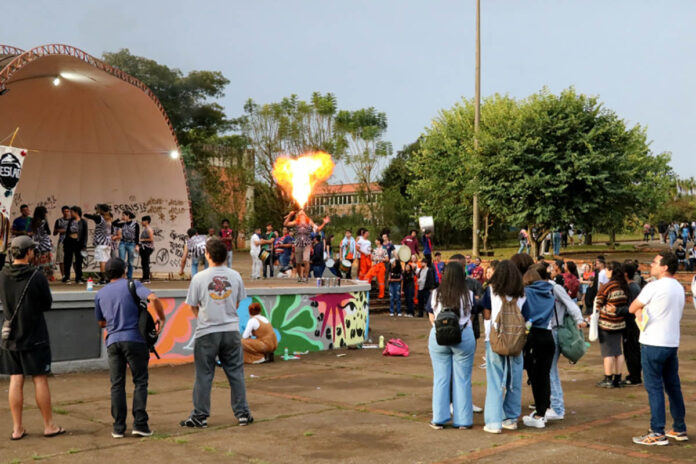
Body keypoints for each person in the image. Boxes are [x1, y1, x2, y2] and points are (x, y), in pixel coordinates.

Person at [180, 238, 253, 428]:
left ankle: (200, 416)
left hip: (207, 331)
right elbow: (237, 303)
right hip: (230, 330)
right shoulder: (235, 276)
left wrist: (203, 318)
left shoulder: (199, 278)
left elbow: (192, 305)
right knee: (236, 373)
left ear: (207, 254)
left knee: (204, 375)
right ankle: (243, 413)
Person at [0, 236, 65, 440]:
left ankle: (17, 428)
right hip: (35, 335)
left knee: (15, 379)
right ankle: (48, 425)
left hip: (10, 336)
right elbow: (47, 304)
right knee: (39, 378)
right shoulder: (36, 276)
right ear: (29, 252)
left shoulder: (2, 274)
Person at [95, 258, 165, 438]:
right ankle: (140, 424)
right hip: (135, 339)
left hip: (113, 341)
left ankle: (118, 427)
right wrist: (161, 318)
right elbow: (153, 298)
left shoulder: (100, 294)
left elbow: (101, 322)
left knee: (117, 384)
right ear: (124, 271)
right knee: (140, 381)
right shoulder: (132, 285)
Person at [629, 251, 688, 445]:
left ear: (664, 267)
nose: (651, 265)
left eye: (655, 263)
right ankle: (679, 427)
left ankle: (657, 430)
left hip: (653, 341)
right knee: (673, 386)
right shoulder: (678, 287)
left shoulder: (653, 286)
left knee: (654, 387)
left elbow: (632, 307)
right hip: (671, 342)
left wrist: (639, 311)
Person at [427, 261, 475, 430]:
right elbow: (472, 316)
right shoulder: (468, 294)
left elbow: (431, 315)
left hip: (438, 336)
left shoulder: (436, 294)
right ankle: (463, 420)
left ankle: (439, 418)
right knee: (462, 379)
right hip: (463, 335)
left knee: (440, 378)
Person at [479, 260, 526, 433]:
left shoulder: (491, 291)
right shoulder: (522, 294)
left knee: (495, 381)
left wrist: (487, 333)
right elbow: (526, 315)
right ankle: (511, 418)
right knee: (514, 381)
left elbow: (486, 312)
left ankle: (493, 423)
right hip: (515, 340)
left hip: (496, 339)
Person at [537, 264, 585, 422]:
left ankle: (557, 407)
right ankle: (553, 404)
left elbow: (570, 304)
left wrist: (579, 320)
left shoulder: (554, 288)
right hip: (546, 331)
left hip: (555, 331)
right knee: (547, 370)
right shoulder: (541, 288)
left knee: (550, 370)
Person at [520, 267, 556, 429]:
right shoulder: (549, 292)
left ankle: (540, 414)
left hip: (533, 334)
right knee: (545, 374)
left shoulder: (527, 293)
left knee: (535, 376)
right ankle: (543, 410)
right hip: (548, 335)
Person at [595, 261, 628, 388]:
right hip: (619, 322)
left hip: (606, 323)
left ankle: (608, 378)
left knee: (607, 352)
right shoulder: (623, 285)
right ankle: (618, 377)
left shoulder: (608, 286)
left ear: (611, 271)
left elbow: (598, 303)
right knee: (618, 351)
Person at [615, 261, 642, 387]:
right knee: (632, 349)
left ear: (625, 274)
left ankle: (635, 376)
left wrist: (616, 310)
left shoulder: (632, 288)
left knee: (631, 349)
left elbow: (631, 308)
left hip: (631, 323)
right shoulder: (633, 286)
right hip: (633, 323)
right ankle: (634, 374)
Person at [283, 210, 329, 283]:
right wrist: (290, 215)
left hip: (307, 244)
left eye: (303, 212)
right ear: (298, 215)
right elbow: (285, 224)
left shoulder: (309, 221)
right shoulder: (296, 221)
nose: (302, 212)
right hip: (298, 244)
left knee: (306, 260)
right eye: (300, 212)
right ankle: (300, 277)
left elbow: (317, 229)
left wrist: (324, 223)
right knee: (298, 262)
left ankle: (306, 277)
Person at [85, 204, 113, 285]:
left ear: (101, 210)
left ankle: (103, 279)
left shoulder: (99, 218)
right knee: (107, 261)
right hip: (107, 243)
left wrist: (96, 213)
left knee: (102, 262)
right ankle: (107, 278)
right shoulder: (109, 218)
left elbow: (87, 215)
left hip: (101, 243)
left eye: (98, 209)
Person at [62, 206, 88, 284]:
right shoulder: (71, 221)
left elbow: (85, 234)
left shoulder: (83, 222)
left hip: (79, 242)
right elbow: (67, 233)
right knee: (68, 260)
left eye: (72, 212)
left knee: (79, 261)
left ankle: (78, 278)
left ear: (76, 212)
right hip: (69, 242)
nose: (70, 213)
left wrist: (84, 245)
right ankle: (67, 277)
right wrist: (64, 243)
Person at [30, 206, 54, 280]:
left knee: (37, 260)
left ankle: (36, 275)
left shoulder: (33, 221)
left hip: (36, 243)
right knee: (46, 261)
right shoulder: (44, 222)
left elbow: (33, 233)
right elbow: (49, 232)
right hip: (45, 243)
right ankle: (45, 277)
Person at [114, 211, 139, 280]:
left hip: (132, 243)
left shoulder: (135, 224)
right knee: (121, 260)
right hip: (123, 243)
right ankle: (122, 276)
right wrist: (120, 219)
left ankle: (129, 276)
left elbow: (137, 235)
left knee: (130, 261)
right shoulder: (123, 224)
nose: (123, 216)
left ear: (128, 216)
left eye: (124, 215)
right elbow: (113, 223)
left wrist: (137, 245)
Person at [52, 206, 71, 280]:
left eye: (67, 211)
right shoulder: (58, 221)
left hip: (71, 241)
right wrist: (58, 230)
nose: (66, 213)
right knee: (61, 259)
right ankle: (63, 275)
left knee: (72, 259)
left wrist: (65, 231)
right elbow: (54, 233)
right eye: (64, 211)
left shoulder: (72, 220)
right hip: (62, 241)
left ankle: (70, 275)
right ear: (62, 212)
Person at [139, 216, 155, 283]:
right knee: (143, 263)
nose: (142, 222)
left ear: (146, 221)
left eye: (143, 221)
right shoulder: (146, 229)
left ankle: (146, 278)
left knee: (145, 263)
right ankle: (144, 277)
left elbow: (151, 239)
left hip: (147, 247)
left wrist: (142, 240)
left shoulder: (149, 229)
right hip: (144, 247)